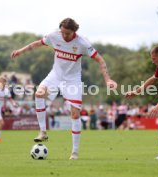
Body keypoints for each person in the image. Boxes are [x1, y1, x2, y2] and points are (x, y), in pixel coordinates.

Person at [11, 18, 117, 160]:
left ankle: (74, 152)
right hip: (55, 75)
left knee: (75, 115)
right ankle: (43, 132)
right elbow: (37, 44)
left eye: (67, 33)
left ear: (74, 32)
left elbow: (100, 59)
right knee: (39, 94)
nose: (64, 36)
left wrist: (107, 79)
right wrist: (21, 51)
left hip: (72, 80)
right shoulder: (54, 35)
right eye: (63, 32)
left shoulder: (82, 43)